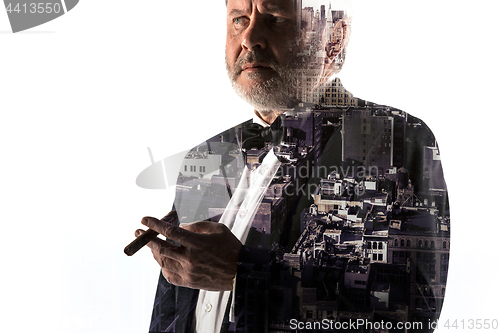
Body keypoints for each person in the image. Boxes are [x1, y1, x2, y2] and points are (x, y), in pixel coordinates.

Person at [134, 1, 450, 332]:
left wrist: (242, 272)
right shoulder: (206, 157)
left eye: (276, 19)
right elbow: (168, 316)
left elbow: (407, 317)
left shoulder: (391, 138)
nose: (250, 37)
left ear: (335, 38)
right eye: (240, 19)